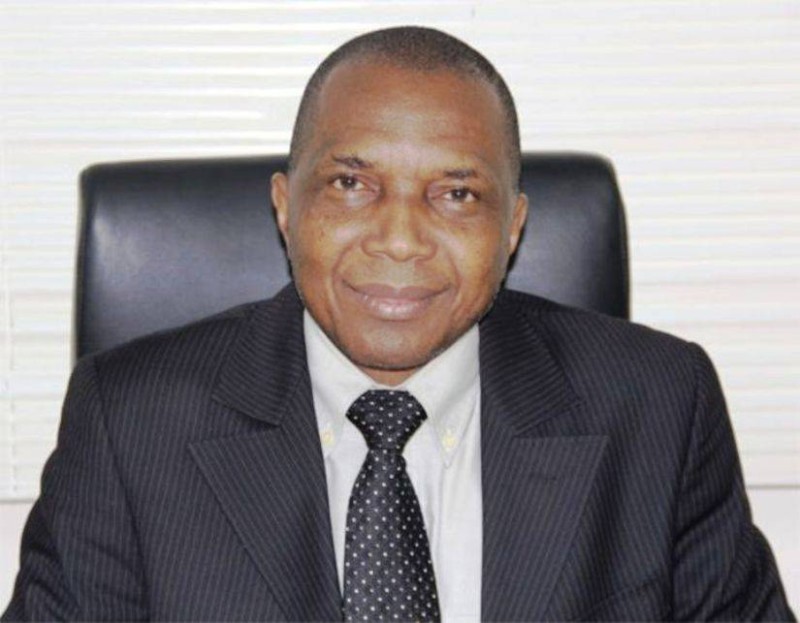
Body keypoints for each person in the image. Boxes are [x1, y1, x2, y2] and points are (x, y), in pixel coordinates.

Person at [2, 26, 794, 622]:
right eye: (352, 184)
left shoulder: (659, 405)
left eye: (457, 195)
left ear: (512, 229)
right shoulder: (129, 423)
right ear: (285, 207)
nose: (401, 239)